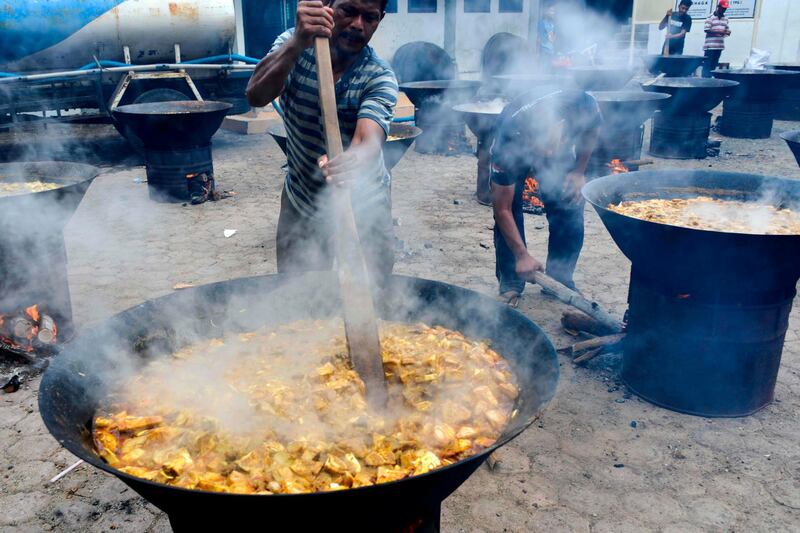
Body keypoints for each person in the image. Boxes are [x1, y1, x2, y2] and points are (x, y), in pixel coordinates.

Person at [246, 0, 398, 286]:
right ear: (327, 5)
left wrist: (353, 161)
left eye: (370, 17)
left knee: (375, 297)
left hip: (365, 208)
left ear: (380, 19)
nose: (357, 24)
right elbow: (255, 96)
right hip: (302, 200)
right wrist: (295, 44)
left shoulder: (379, 76)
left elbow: (369, 139)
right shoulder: (291, 47)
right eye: (348, 11)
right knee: (296, 297)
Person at [490, 90, 601, 306]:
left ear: (561, 124)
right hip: (516, 151)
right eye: (542, 147)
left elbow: (592, 131)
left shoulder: (581, 103)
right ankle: (511, 282)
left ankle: (560, 277)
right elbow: (501, 209)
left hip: (558, 141)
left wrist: (578, 171)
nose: (548, 154)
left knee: (570, 202)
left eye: (552, 146)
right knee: (511, 210)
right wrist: (523, 255)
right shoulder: (509, 137)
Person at [702, 0, 731, 77]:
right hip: (710, 46)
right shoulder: (710, 17)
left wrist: (727, 32)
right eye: (722, 8)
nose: (724, 10)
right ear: (718, 7)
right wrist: (719, 31)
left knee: (714, 65)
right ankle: (704, 81)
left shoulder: (726, 19)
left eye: (725, 9)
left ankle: (711, 81)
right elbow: (706, 29)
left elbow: (726, 30)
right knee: (707, 65)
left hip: (719, 46)